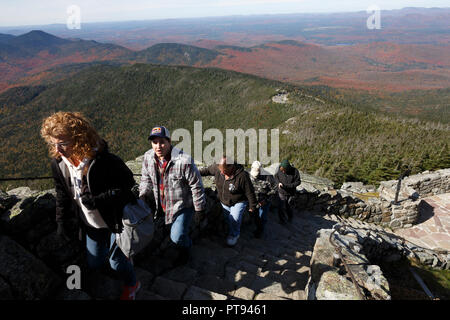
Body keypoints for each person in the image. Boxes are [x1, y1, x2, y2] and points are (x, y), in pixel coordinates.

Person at [41, 111, 140, 300]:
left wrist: (99, 199)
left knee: (116, 262)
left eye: (62, 143)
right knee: (94, 262)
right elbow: (62, 195)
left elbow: (127, 184)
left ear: (79, 138)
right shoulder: (59, 164)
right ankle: (120, 264)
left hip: (115, 221)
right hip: (90, 224)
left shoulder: (103, 160)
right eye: (53, 143)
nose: (57, 149)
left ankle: (132, 283)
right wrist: (61, 222)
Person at [139, 126, 206, 265]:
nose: (158, 146)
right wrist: (143, 195)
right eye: (154, 142)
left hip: (182, 206)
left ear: (169, 141)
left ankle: (186, 248)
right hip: (162, 206)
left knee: (177, 236)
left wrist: (199, 209)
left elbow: (196, 185)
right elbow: (146, 179)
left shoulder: (184, 160)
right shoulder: (148, 157)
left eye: (162, 142)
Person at [200, 156, 257, 247]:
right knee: (227, 218)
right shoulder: (217, 168)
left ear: (232, 167)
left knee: (234, 218)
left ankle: (234, 235)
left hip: (239, 201)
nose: (222, 172)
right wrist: (193, 172)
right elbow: (205, 171)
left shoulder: (242, 176)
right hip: (224, 201)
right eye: (221, 170)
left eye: (224, 171)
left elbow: (249, 191)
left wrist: (252, 206)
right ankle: (229, 230)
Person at [249, 161, 278, 238]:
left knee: (262, 216)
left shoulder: (268, 177)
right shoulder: (248, 174)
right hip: (253, 200)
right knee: (254, 216)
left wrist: (266, 199)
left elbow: (275, 189)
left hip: (264, 200)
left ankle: (260, 231)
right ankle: (254, 226)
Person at [274, 159, 301, 224]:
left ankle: (290, 218)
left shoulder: (295, 171)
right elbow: (276, 177)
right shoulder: (279, 169)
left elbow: (298, 182)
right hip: (281, 191)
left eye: (284, 170)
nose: (283, 171)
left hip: (290, 193)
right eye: (281, 170)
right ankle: (282, 220)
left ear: (288, 168)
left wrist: (288, 186)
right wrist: (278, 183)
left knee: (288, 206)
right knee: (280, 207)